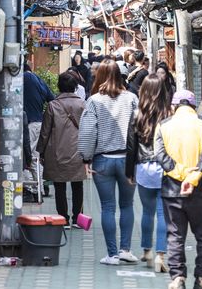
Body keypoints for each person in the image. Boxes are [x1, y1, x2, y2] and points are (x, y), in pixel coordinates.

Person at [155, 90, 202, 289]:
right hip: (200, 187)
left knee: (175, 234)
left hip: (172, 188)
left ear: (174, 106)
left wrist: (180, 174)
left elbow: (160, 155)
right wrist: (192, 177)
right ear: (192, 106)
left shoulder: (163, 126)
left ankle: (177, 278)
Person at [79, 59, 139, 265]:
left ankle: (112, 254)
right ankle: (126, 250)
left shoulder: (94, 100)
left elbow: (88, 132)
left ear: (100, 76)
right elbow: (140, 130)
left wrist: (86, 158)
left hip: (102, 160)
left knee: (107, 207)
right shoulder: (131, 98)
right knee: (127, 205)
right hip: (127, 161)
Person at [125, 75, 170, 273]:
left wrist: (129, 172)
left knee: (147, 212)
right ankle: (161, 255)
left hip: (143, 168)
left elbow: (131, 146)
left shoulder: (137, 114)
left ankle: (147, 251)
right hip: (165, 169)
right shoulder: (169, 114)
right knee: (163, 214)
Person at [37, 72, 86, 228]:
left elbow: (45, 132)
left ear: (59, 86)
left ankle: (63, 219)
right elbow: (88, 129)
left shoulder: (53, 105)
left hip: (56, 150)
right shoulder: (83, 104)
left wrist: (41, 150)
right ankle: (78, 218)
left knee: (59, 185)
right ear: (75, 87)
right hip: (78, 150)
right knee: (78, 185)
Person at [24, 63, 55, 196]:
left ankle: (35, 189)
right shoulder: (38, 80)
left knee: (27, 157)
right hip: (38, 123)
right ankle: (39, 186)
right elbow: (52, 99)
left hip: (27, 124)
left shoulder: (21, 78)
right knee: (35, 157)